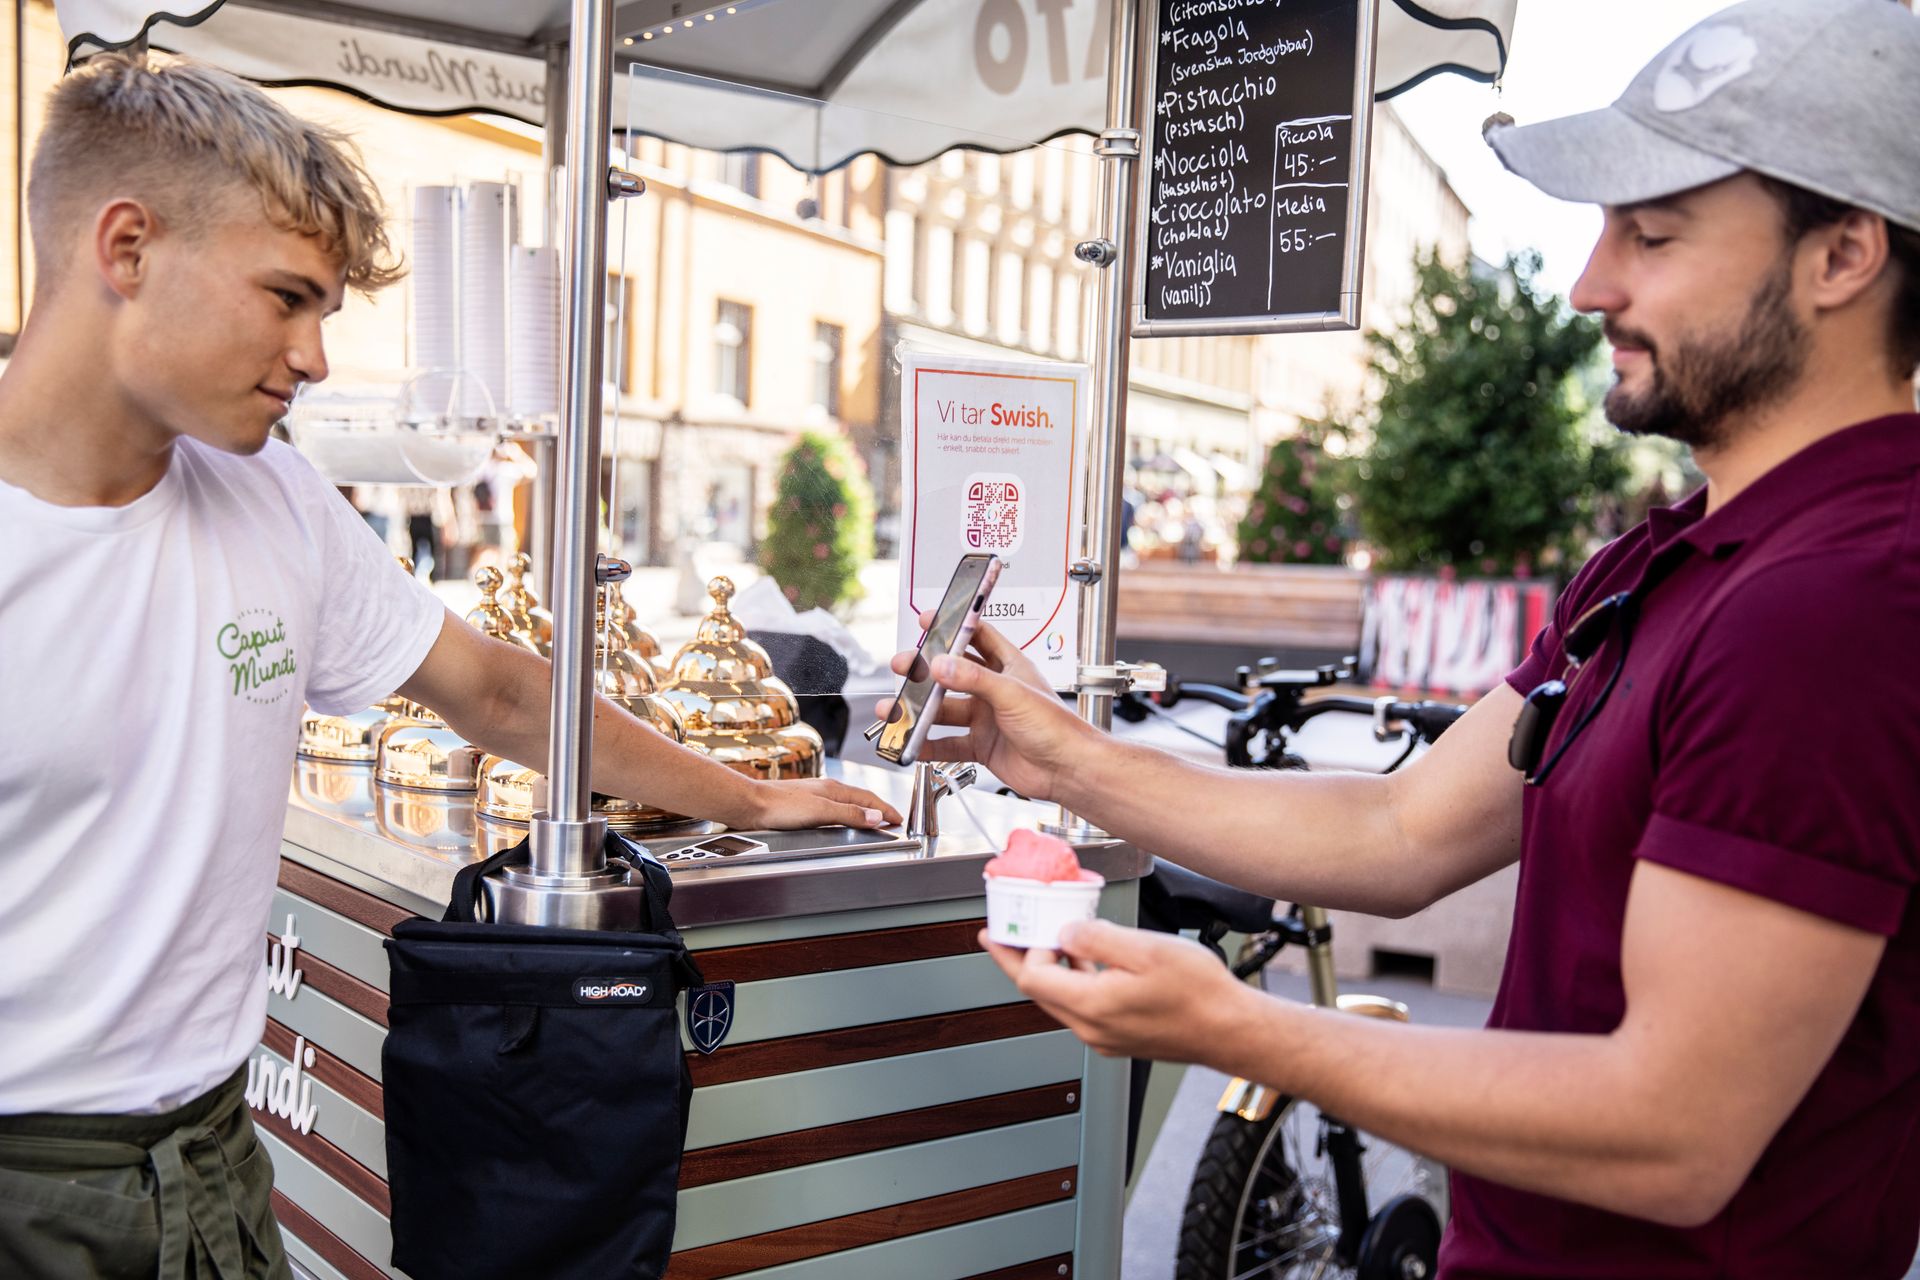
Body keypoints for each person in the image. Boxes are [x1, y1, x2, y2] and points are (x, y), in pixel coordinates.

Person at [884, 1, 1920, 1274]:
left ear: (1844, 256)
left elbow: (1678, 1130)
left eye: (1652, 233)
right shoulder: (1677, 553)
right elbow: (1406, 828)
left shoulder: (1837, 602)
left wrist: (1240, 1028)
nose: (1594, 282)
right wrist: (1064, 759)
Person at [0, 54, 899, 1279]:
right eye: (286, 296)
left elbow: (498, 688)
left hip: (214, 1162)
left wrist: (750, 794)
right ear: (127, 248)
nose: (315, 357)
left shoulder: (271, 493)